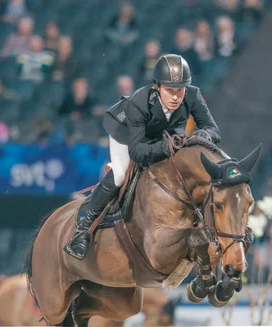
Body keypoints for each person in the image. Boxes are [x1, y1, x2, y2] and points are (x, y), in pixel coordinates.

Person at [64, 54, 221, 260]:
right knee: (121, 173)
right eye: (170, 90)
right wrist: (167, 146)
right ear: (157, 86)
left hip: (161, 132)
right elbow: (137, 151)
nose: (176, 97)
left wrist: (203, 134)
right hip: (125, 130)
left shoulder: (192, 94)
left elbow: (213, 129)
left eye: (180, 90)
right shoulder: (139, 102)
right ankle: (83, 230)